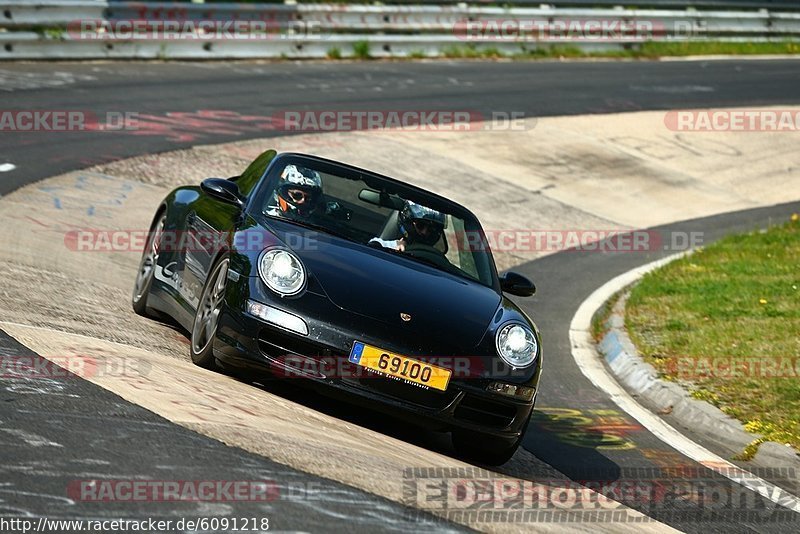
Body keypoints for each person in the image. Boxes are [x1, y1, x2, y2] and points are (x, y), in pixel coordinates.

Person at [369, 200, 446, 251]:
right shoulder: (383, 245)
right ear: (407, 222)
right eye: (420, 225)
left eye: (432, 229)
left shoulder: (440, 262)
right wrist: (393, 250)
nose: (424, 232)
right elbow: (372, 247)